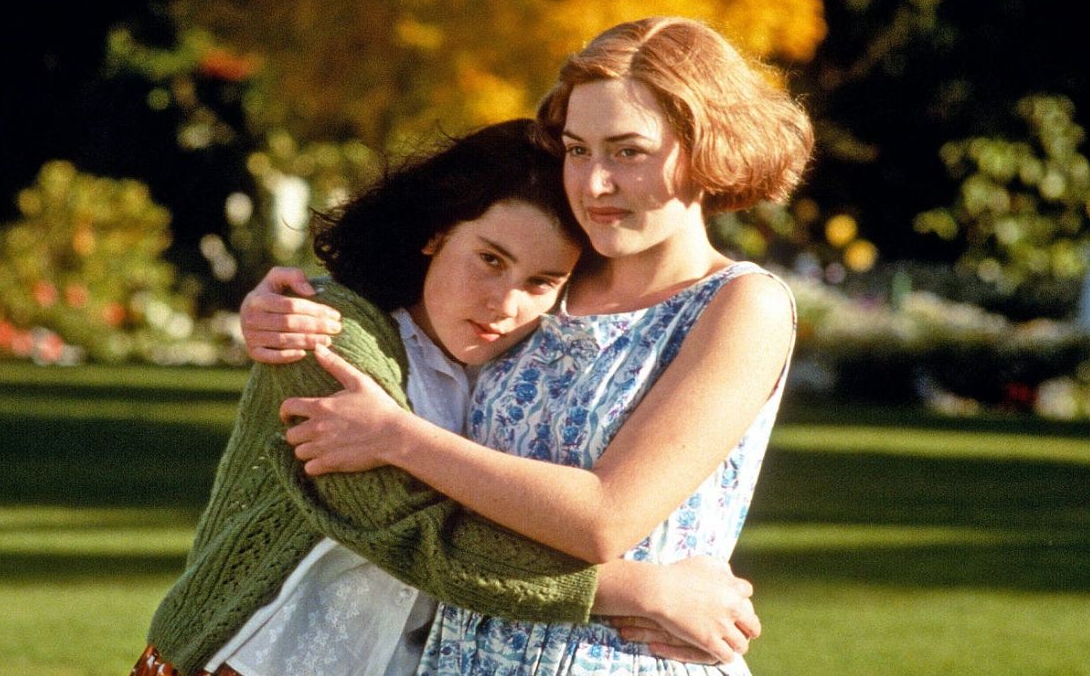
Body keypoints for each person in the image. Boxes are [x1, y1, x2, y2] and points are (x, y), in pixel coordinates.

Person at [241, 16, 812, 675]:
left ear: (706, 144)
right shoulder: (550, 278)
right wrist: (284, 303)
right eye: (577, 150)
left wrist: (395, 437)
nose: (593, 184)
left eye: (628, 151)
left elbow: (603, 518)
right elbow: (421, 293)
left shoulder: (741, 305)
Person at [133, 118, 761, 676]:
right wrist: (645, 593)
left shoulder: (517, 366)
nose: (505, 304)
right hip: (241, 657)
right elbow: (417, 533)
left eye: (541, 281)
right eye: (490, 259)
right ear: (435, 233)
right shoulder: (326, 333)